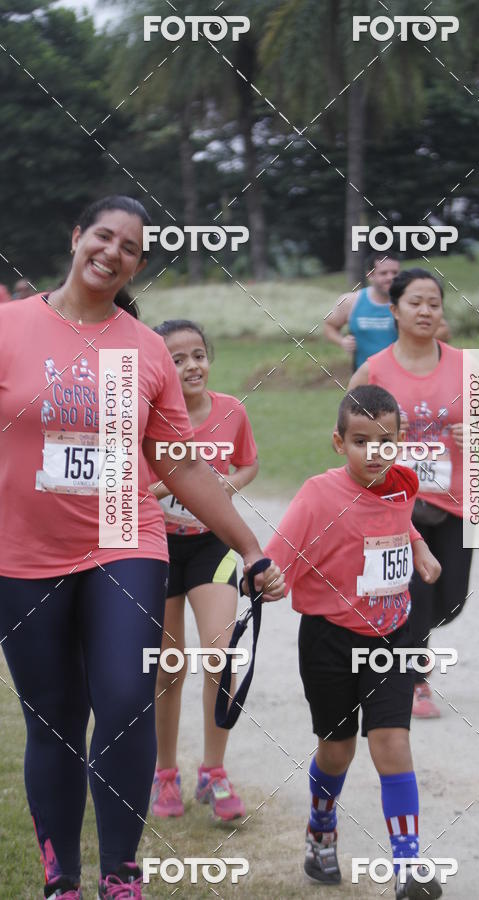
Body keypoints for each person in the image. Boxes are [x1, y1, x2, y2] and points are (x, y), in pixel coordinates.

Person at [0, 195, 284, 900]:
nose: (113, 252)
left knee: (126, 697)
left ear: (137, 263)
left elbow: (181, 465)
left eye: (130, 247)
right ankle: (61, 877)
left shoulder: (142, 347)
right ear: (76, 238)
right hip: (24, 552)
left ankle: (121, 872)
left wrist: (249, 547)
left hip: (124, 540)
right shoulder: (9, 329)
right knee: (55, 719)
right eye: (104, 235)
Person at [264, 385, 444, 900]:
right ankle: (322, 823)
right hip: (329, 640)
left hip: (392, 633)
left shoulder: (403, 482)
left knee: (392, 741)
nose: (375, 452)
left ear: (401, 441)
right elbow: (279, 555)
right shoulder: (318, 495)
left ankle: (407, 866)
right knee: (337, 750)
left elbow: (396, 517)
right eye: (361, 441)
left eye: (386, 440)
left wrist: (419, 546)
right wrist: (266, 579)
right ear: (338, 442)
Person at [148, 320, 259, 822]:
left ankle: (214, 771)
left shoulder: (231, 410)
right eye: (177, 359)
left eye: (198, 354)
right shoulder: (147, 417)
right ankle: (164, 773)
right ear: (159, 368)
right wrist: (162, 491)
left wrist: (222, 490)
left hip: (212, 546)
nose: (191, 366)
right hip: (158, 549)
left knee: (222, 655)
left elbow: (248, 464)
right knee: (169, 667)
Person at [349, 268, 471, 719]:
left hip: (456, 501)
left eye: (434, 303)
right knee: (416, 587)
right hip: (396, 502)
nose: (425, 310)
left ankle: (398, 643)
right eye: (416, 302)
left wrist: (476, 431)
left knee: (451, 599)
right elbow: (348, 436)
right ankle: (415, 678)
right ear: (395, 309)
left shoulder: (470, 367)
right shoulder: (375, 369)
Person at [323, 252, 401, 371]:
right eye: (383, 273)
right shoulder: (351, 301)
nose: (390, 278)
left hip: (400, 376)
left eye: (394, 273)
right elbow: (329, 326)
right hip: (363, 377)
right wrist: (342, 341)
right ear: (370, 275)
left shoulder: (407, 302)